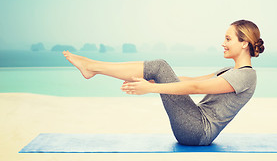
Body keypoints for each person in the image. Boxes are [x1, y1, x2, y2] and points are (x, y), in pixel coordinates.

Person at [62, 19, 264, 146]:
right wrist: (152, 80)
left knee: (159, 66)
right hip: (194, 125)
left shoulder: (246, 76)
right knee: (157, 70)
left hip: (198, 131)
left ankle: (92, 68)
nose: (223, 43)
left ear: (244, 43)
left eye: (228, 39)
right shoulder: (230, 71)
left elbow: (196, 88)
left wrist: (151, 88)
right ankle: (93, 67)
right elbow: (189, 80)